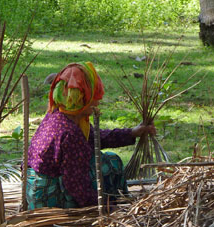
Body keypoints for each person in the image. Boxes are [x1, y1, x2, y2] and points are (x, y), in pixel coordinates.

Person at [26, 61, 155, 210]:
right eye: (93, 95)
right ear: (82, 98)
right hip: (49, 199)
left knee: (107, 159)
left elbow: (95, 138)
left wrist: (132, 132)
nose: (98, 101)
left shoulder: (58, 115)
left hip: (34, 190)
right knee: (111, 165)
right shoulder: (70, 133)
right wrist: (105, 206)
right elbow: (76, 185)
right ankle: (115, 203)